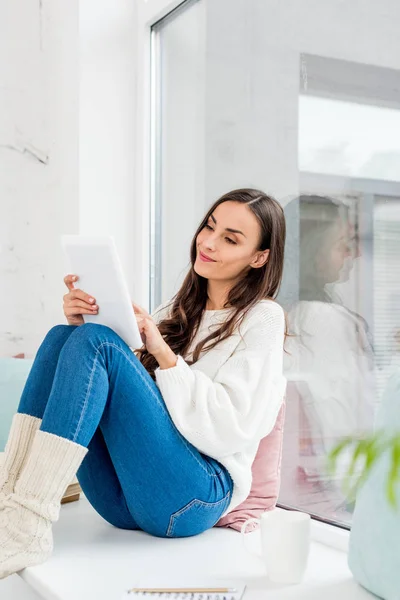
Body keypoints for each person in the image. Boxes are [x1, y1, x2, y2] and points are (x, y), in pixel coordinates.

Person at [0, 188, 287, 579]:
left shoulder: (263, 317)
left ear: (260, 257)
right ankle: (10, 503)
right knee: (63, 337)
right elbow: (129, 406)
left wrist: (163, 353)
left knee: (94, 342)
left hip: (195, 497)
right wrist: (88, 325)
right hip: (122, 498)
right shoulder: (175, 311)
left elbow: (232, 427)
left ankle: (28, 520)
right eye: (210, 226)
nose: (208, 242)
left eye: (230, 239)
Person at [278, 194, 375, 520]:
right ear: (312, 249)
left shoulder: (283, 313)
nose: (355, 254)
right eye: (342, 244)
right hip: (334, 500)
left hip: (293, 497)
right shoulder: (322, 319)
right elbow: (344, 417)